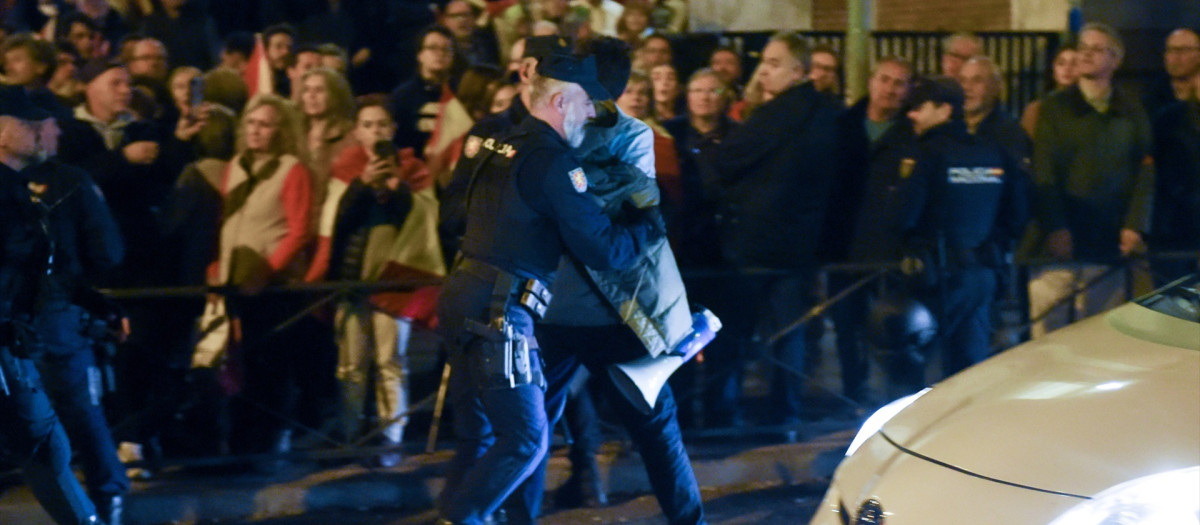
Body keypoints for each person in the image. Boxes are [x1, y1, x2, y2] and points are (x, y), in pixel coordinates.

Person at [434, 52, 661, 525]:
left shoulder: (496, 142)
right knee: (525, 438)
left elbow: (453, 215)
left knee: (482, 435)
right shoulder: (555, 162)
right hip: (500, 311)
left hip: (464, 294)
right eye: (584, 104)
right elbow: (601, 249)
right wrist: (646, 224)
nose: (589, 114)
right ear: (560, 100)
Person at [519, 36, 705, 525]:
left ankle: (521, 516)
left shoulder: (544, 133)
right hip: (619, 310)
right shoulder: (633, 136)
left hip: (554, 307)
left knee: (532, 427)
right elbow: (636, 216)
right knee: (656, 430)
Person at [305, 96, 440, 466]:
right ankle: (351, 436)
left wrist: (397, 189)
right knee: (351, 364)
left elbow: (422, 226)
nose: (375, 131)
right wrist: (362, 187)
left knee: (390, 362)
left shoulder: (413, 170)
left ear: (393, 130)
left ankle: (389, 439)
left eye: (382, 124)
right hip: (353, 282)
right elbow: (337, 224)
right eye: (367, 125)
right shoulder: (346, 170)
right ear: (356, 132)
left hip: (394, 283)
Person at [715, 31, 840, 427]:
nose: (763, 71)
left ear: (798, 70)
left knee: (735, 334)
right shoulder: (827, 114)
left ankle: (725, 412)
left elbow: (727, 160)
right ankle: (784, 413)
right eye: (763, 62)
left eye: (773, 64)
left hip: (754, 245)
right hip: (799, 245)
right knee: (789, 335)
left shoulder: (773, 115)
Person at [0, 87, 108, 525]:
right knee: (44, 445)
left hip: (10, 344)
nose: (44, 130)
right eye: (31, 123)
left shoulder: (16, 191)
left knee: (45, 446)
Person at [21, 92, 129, 525]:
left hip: (27, 323)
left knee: (34, 426)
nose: (59, 131)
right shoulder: (69, 182)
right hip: (56, 319)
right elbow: (107, 252)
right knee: (81, 418)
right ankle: (105, 503)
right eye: (50, 123)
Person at [896, 75, 1028, 388]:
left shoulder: (926, 154)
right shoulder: (991, 151)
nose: (911, 114)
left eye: (919, 107)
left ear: (943, 110)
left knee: (922, 374)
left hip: (936, 279)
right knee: (970, 372)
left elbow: (902, 216)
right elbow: (1017, 212)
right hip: (982, 274)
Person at [1024, 23, 1154, 338]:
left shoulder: (1130, 108)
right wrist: (1056, 226)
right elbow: (1045, 170)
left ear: (1115, 59)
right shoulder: (1055, 108)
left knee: (1101, 336)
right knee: (1050, 335)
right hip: (1060, 246)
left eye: (1097, 49)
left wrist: (1135, 223)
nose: (1086, 55)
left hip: (1108, 241)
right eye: (1083, 47)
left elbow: (1145, 169)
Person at [208, 93, 313, 467]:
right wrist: (218, 268)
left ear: (281, 131)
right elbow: (228, 222)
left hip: (272, 288)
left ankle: (265, 445)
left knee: (271, 368)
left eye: (266, 124)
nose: (256, 131)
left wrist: (266, 271)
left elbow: (300, 230)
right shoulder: (236, 165)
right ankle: (240, 444)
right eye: (252, 123)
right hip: (235, 283)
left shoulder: (291, 169)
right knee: (240, 366)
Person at [823, 56, 916, 405]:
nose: (890, 89)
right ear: (871, 81)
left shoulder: (912, 134)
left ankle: (895, 395)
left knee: (891, 326)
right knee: (847, 325)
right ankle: (853, 391)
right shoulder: (842, 126)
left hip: (891, 247)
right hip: (844, 242)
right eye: (885, 79)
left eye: (900, 83)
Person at [1020, 44, 1077, 137]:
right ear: (1053, 68)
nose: (1067, 69)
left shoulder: (1088, 109)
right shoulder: (1037, 109)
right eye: (1061, 63)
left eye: (1074, 64)